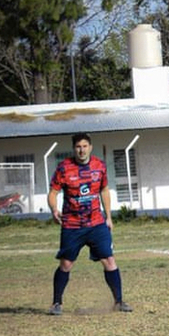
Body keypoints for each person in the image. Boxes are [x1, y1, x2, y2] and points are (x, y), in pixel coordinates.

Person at [47, 133, 132, 316]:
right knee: (66, 264)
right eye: (78, 146)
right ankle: (56, 303)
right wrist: (54, 210)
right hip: (72, 225)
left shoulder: (99, 166)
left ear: (90, 147)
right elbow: (53, 193)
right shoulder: (64, 168)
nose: (81, 150)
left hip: (96, 223)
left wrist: (108, 217)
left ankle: (119, 301)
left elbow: (104, 190)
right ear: (74, 149)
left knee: (109, 260)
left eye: (85, 146)